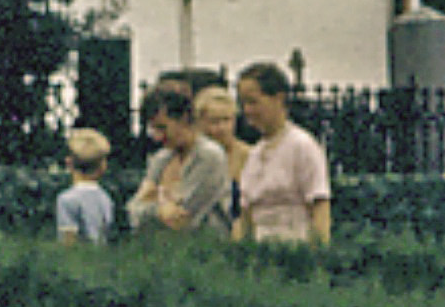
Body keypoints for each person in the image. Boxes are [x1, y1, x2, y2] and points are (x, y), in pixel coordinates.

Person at [233, 62, 332, 244]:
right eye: (243, 103)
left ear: (278, 99)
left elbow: (320, 208)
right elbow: (246, 216)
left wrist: (318, 252)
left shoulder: (302, 146)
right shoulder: (255, 154)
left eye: (253, 102)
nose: (247, 110)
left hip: (295, 249)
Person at [126, 83, 232, 234]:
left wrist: (151, 202)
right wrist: (160, 210)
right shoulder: (161, 159)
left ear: (184, 119)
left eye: (162, 128)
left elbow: (184, 219)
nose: (157, 137)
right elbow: (132, 213)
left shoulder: (209, 156)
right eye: (153, 129)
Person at [195, 82, 249, 231]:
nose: (222, 128)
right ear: (200, 122)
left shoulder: (248, 155)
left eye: (227, 120)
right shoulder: (192, 156)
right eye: (214, 121)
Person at [55, 129, 115, 244]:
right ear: (103, 167)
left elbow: (68, 240)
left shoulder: (66, 199)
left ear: (69, 163)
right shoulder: (106, 197)